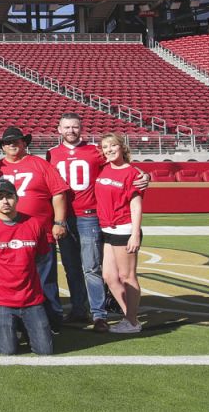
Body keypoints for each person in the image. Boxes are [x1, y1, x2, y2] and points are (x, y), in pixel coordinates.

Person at [48, 114, 150, 332]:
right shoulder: (52, 154)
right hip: (64, 217)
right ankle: (78, 309)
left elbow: (123, 166)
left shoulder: (95, 151)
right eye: (66, 127)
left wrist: (144, 174)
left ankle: (99, 314)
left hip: (89, 216)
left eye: (75, 127)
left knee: (91, 267)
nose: (71, 131)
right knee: (71, 267)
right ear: (59, 130)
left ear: (81, 128)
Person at [0, 126, 68, 330]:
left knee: (46, 280)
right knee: (14, 279)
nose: (12, 145)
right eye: (8, 142)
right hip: (7, 235)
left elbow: (58, 193)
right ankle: (19, 322)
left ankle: (52, 320)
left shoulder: (40, 164)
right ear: (2, 147)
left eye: (16, 141)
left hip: (40, 233)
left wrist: (59, 222)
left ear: (24, 143)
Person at [0, 179, 54, 356]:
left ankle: (21, 327)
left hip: (31, 298)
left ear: (17, 198)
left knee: (45, 350)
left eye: (9, 196)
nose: (5, 201)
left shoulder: (34, 224)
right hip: (1, 299)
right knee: (7, 350)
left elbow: (41, 256)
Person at [96, 133, 145, 334]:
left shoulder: (132, 173)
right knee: (109, 276)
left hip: (124, 229)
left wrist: (134, 234)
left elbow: (136, 207)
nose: (109, 150)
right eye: (105, 147)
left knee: (127, 276)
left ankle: (132, 322)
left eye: (113, 145)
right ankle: (129, 316)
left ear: (121, 147)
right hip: (106, 228)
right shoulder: (104, 168)